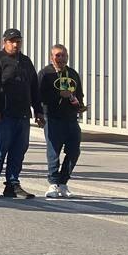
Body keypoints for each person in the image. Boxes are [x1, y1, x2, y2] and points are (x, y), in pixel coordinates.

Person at [0, 28, 44, 199]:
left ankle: (12, 184)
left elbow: (34, 88)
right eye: (12, 41)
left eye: (18, 41)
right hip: (3, 115)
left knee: (18, 151)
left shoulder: (25, 61)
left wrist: (38, 110)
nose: (15, 44)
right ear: (4, 42)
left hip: (22, 115)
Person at [40, 44, 86, 199]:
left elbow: (79, 94)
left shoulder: (72, 73)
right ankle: (53, 183)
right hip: (53, 118)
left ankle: (63, 182)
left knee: (74, 151)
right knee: (53, 151)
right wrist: (58, 95)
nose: (60, 58)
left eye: (63, 55)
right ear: (51, 57)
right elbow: (39, 96)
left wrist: (79, 105)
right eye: (57, 55)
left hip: (71, 118)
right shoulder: (46, 74)